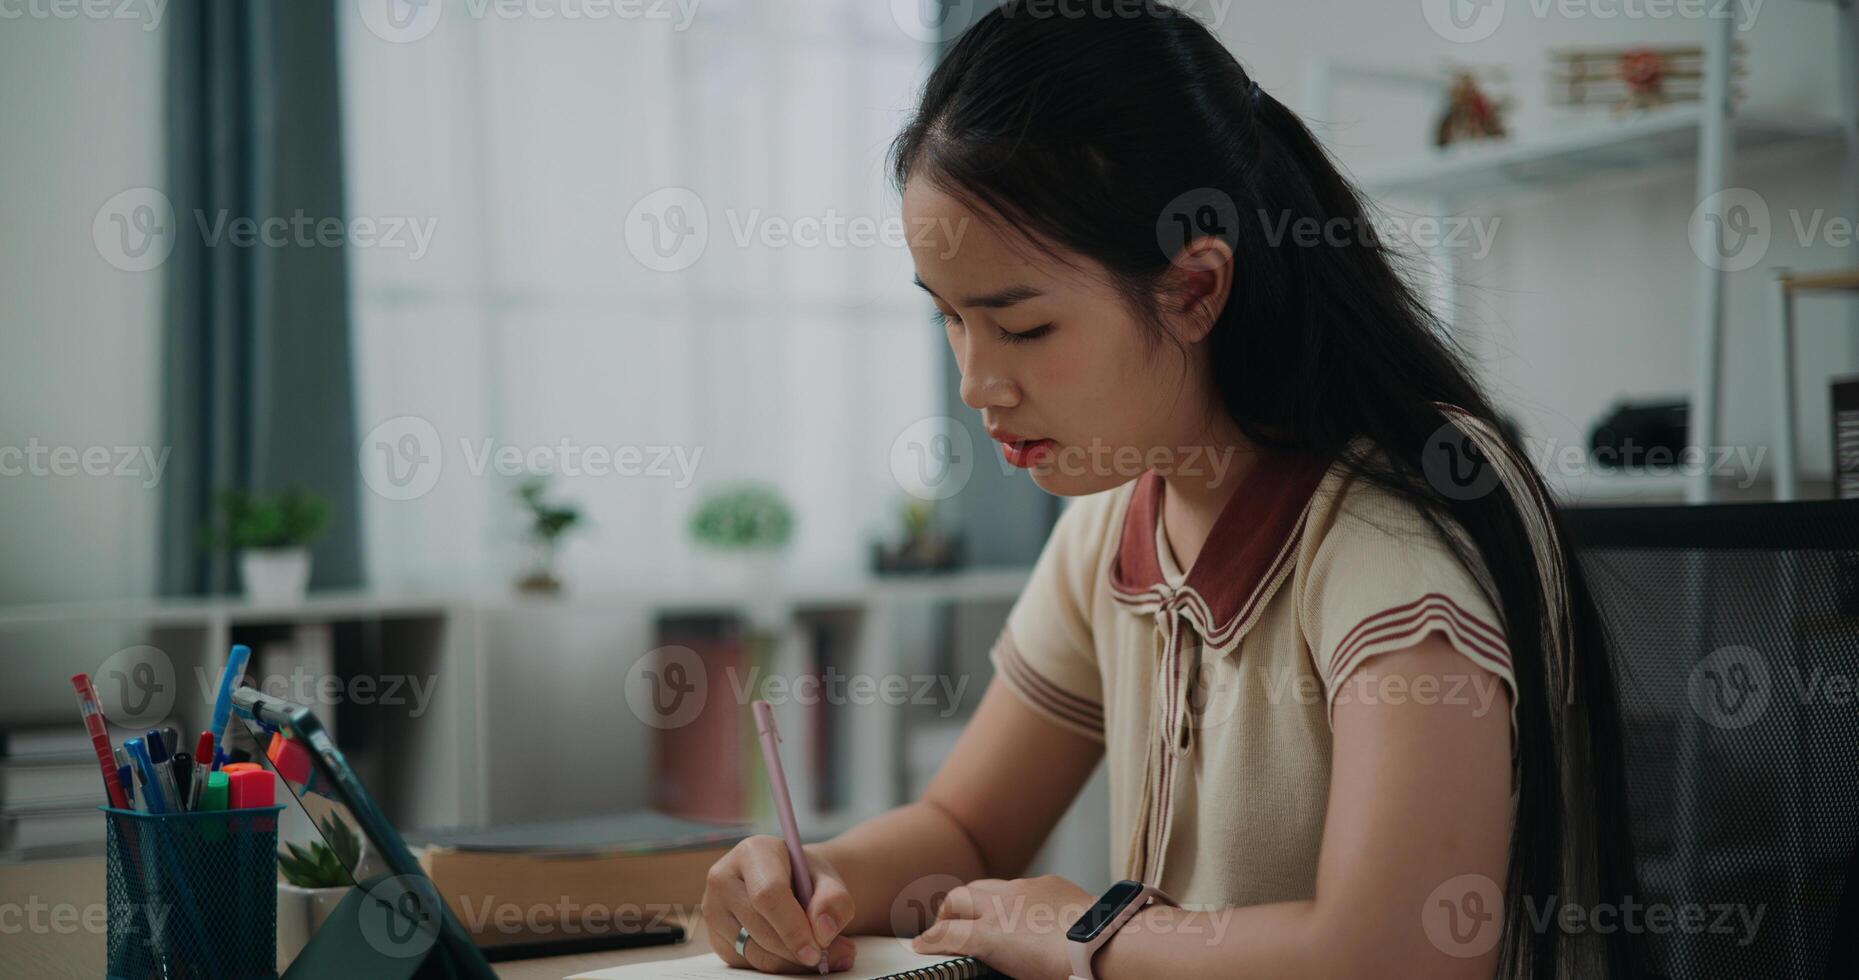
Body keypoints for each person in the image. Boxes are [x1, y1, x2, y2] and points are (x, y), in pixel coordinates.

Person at [701, 4, 1642, 978]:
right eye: (949, 321)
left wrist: (1087, 935)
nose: (976, 384)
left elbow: (1396, 953)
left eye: (1020, 329)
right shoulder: (1114, 516)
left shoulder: (1388, 535)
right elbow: (967, 831)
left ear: (1193, 289)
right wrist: (816, 879)